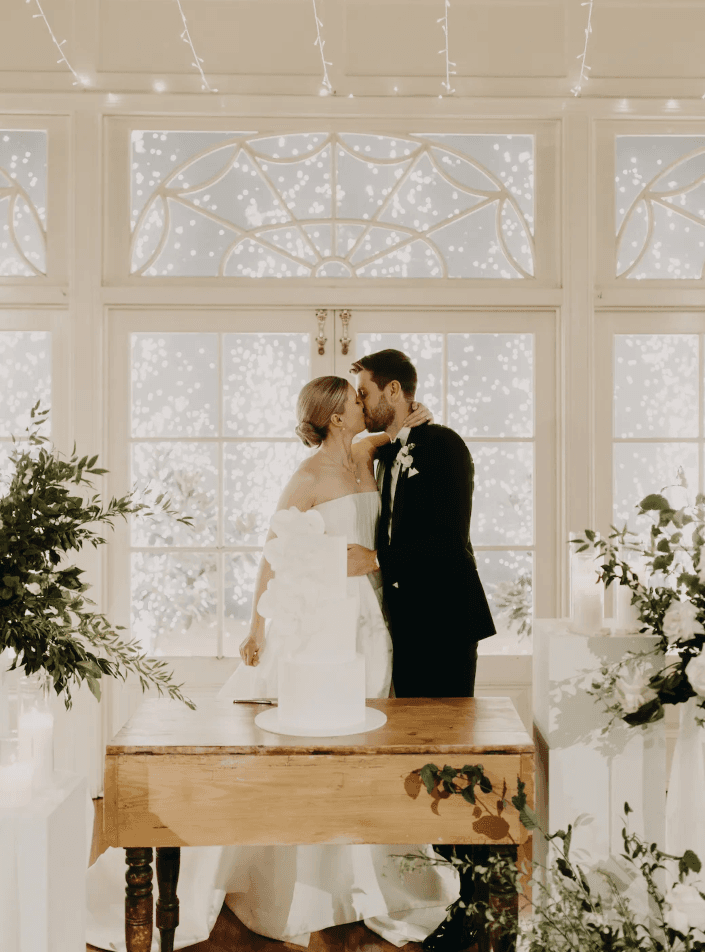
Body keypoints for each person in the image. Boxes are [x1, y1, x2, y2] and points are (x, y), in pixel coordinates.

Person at [85, 375, 458, 952]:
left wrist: (412, 417)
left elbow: (399, 431)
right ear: (336, 416)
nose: (363, 404)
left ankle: (363, 864)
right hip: (322, 617)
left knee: (365, 739)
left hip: (371, 618)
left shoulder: (366, 454)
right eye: (355, 399)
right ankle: (298, 876)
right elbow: (273, 552)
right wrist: (256, 626)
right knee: (312, 738)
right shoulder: (307, 477)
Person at [351, 349, 497, 952]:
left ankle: (479, 904)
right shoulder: (389, 450)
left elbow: (444, 537)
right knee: (422, 766)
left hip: (444, 626)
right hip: (406, 632)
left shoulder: (444, 447)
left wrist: (376, 559)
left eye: (365, 393)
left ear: (394, 390)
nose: (360, 403)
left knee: (454, 764)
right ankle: (446, 891)